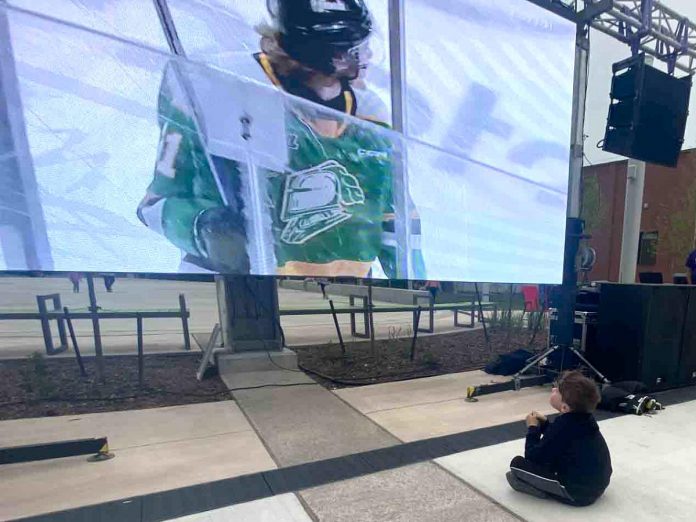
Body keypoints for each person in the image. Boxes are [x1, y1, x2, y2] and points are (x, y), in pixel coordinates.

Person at [137, 0, 425, 278]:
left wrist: (418, 291)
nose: (367, 58)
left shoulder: (370, 116)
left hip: (342, 304)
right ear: (325, 57)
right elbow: (155, 204)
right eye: (353, 51)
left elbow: (396, 220)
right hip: (245, 300)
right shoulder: (217, 90)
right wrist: (203, 228)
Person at [506, 371, 612, 506]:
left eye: (557, 391)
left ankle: (540, 489)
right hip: (598, 485)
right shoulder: (584, 418)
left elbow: (532, 457)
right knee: (554, 458)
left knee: (517, 465)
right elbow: (563, 440)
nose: (553, 389)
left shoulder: (562, 426)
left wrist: (533, 429)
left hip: (577, 494)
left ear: (564, 407)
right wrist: (545, 424)